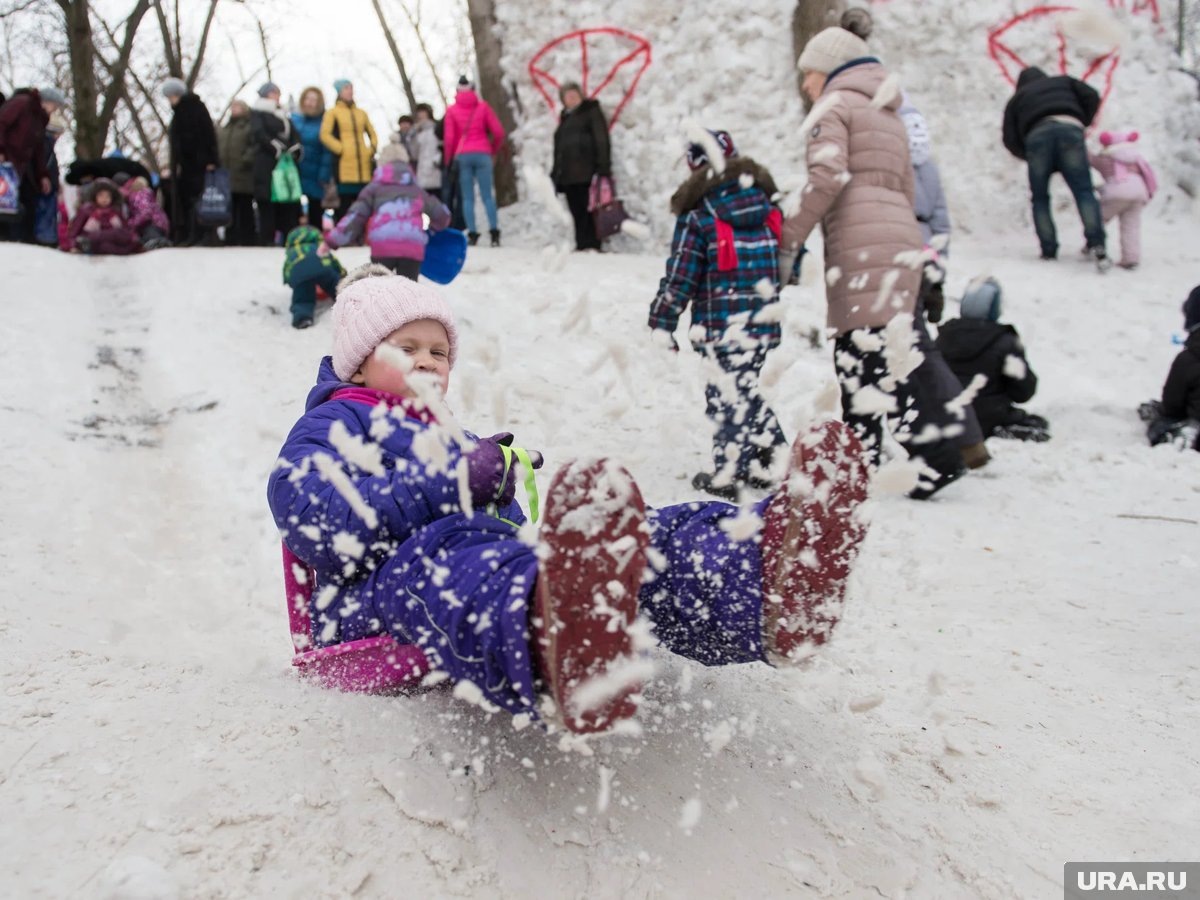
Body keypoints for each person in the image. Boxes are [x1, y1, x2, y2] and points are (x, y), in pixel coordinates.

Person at [266, 265, 870, 734]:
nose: (428, 360)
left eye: (439, 351)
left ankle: (759, 578)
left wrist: (508, 501)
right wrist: (453, 484)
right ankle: (555, 635)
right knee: (450, 558)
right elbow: (315, 519)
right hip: (371, 605)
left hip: (467, 580)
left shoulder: (457, 434)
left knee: (629, 549)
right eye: (406, 348)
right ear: (360, 366)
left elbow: (505, 539)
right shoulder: (336, 423)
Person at [782, 26, 965, 499]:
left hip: (861, 249)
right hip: (900, 244)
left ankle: (930, 458)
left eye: (809, 75)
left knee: (859, 358)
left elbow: (826, 177)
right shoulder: (890, 113)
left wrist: (788, 239)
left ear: (828, 70)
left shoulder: (835, 107)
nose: (806, 85)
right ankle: (865, 460)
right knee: (885, 353)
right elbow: (908, 188)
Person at [648, 130, 788, 499]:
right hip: (762, 319)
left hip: (721, 323)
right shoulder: (765, 203)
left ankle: (732, 471)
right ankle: (769, 458)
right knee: (743, 388)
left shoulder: (700, 213)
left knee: (726, 394)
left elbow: (681, 275)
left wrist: (662, 320)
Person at [1002, 66, 1109, 270]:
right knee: (1084, 191)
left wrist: (1028, 154)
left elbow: (1009, 137)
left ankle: (1048, 249)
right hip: (1070, 130)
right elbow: (1092, 95)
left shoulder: (1018, 98)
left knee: (1040, 198)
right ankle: (1097, 244)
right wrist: (1081, 120)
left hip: (1036, 137)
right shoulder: (1064, 81)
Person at [936, 277, 1048, 442]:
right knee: (1040, 425)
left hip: (946, 416)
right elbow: (1023, 392)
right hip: (990, 417)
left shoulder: (942, 338)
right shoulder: (1004, 341)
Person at [324, 139, 450, 280]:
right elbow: (442, 216)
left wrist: (332, 241)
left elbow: (355, 218)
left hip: (383, 246)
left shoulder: (374, 189)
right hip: (411, 246)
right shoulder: (417, 191)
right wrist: (432, 229)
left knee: (381, 292)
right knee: (407, 293)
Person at [443, 76, 505, 247]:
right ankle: (494, 233)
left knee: (468, 198)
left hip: (463, 156)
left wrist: (448, 159)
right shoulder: (483, 107)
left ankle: (473, 233)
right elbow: (498, 132)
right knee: (487, 196)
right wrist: (492, 150)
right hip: (483, 153)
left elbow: (449, 139)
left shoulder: (452, 110)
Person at [551, 82, 611, 252]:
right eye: (567, 96)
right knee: (576, 209)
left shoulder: (590, 112)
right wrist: (556, 173)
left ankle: (592, 243)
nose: (571, 98)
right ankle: (581, 242)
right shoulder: (565, 118)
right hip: (569, 174)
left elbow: (601, 139)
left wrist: (603, 167)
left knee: (589, 209)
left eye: (574, 94)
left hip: (586, 171)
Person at [1139, 288, 1200, 451]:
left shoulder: (1189, 359)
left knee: (1161, 425)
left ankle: (1183, 436)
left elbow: (1173, 405)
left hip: (1195, 422)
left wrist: (1160, 410)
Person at [0, 86, 63, 243]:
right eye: (54, 106)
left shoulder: (41, 119)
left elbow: (38, 149)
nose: (53, 110)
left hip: (22, 164)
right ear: (46, 101)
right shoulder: (22, 103)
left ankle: (23, 237)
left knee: (24, 196)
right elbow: (2, 123)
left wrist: (42, 174)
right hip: (6, 158)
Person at [1089, 130, 1157, 271]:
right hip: (1139, 192)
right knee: (1131, 226)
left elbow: (1091, 160)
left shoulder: (1106, 158)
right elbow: (1149, 175)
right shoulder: (1137, 158)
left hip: (1117, 192)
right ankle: (1131, 259)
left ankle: (1092, 245)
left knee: (1097, 220)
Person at [162, 78, 219, 246]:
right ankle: (191, 233)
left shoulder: (196, 109)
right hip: (186, 164)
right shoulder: (179, 113)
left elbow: (208, 134)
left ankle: (204, 233)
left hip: (199, 163)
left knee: (201, 199)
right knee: (188, 199)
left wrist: (211, 160)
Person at [320, 79, 378, 221]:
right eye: (346, 88)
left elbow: (372, 133)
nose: (350, 91)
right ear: (339, 91)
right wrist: (340, 149)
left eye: (351, 88)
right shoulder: (333, 113)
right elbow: (324, 135)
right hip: (343, 167)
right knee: (344, 204)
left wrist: (371, 150)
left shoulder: (361, 113)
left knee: (364, 203)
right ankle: (344, 237)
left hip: (363, 168)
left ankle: (362, 237)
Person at [251, 82, 301, 246]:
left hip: (286, 163)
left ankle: (289, 236)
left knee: (287, 199)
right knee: (268, 200)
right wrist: (275, 146)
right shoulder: (258, 112)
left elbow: (293, 134)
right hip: (267, 163)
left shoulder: (283, 114)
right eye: (274, 92)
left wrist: (294, 147)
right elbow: (259, 133)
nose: (277, 95)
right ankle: (267, 237)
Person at [282, 223, 346, 329]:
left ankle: (303, 319)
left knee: (303, 299)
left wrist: (292, 283)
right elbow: (334, 262)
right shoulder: (319, 247)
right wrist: (342, 274)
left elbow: (287, 270)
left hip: (301, 275)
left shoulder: (292, 252)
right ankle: (352, 302)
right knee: (339, 287)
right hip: (324, 270)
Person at [218, 99, 258, 246]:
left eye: (237, 106)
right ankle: (230, 236)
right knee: (230, 207)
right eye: (233, 106)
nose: (234, 109)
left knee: (245, 206)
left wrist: (245, 160)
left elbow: (254, 146)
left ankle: (248, 237)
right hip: (227, 174)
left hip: (244, 174)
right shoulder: (225, 128)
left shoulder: (248, 126)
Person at [293, 87, 333, 226]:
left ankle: (315, 241)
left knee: (315, 210)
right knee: (293, 210)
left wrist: (324, 175)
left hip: (315, 173)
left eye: (314, 100)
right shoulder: (294, 119)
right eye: (308, 99)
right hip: (295, 171)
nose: (310, 103)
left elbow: (327, 151)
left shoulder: (325, 122)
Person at [65, 178, 138, 255]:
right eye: (101, 195)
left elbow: (125, 228)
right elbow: (74, 231)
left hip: (112, 243)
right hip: (93, 241)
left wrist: (131, 238)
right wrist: (73, 246)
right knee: (102, 244)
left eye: (107, 196)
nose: (104, 199)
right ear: (95, 196)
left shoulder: (115, 210)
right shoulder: (87, 210)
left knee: (115, 238)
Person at [118, 174, 172, 249]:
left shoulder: (138, 195)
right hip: (158, 223)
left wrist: (131, 223)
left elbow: (146, 213)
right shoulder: (139, 195)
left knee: (151, 235)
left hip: (153, 224)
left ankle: (159, 242)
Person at [410, 103, 442, 195]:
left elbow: (442, 146)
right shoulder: (417, 133)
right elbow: (414, 154)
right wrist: (413, 135)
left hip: (436, 169)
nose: (421, 115)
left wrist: (438, 160)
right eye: (419, 112)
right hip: (422, 172)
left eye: (423, 112)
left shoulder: (437, 128)